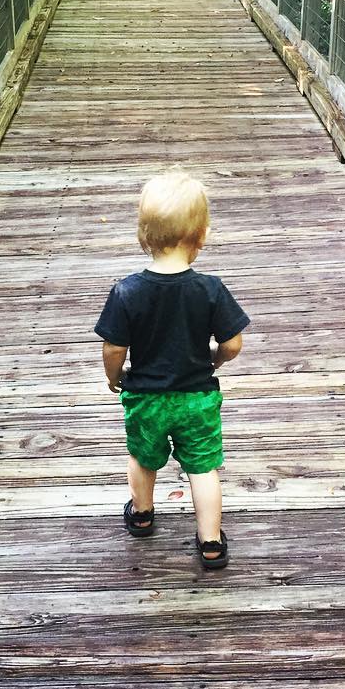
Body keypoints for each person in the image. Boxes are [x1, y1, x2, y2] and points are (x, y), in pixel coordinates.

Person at [94, 168, 248, 569]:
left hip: (146, 398)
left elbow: (114, 347)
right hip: (197, 399)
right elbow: (232, 344)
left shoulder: (127, 291)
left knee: (144, 457)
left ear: (144, 236)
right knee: (203, 467)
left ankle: (142, 515)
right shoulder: (210, 289)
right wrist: (214, 360)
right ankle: (210, 542)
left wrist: (115, 377)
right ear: (201, 237)